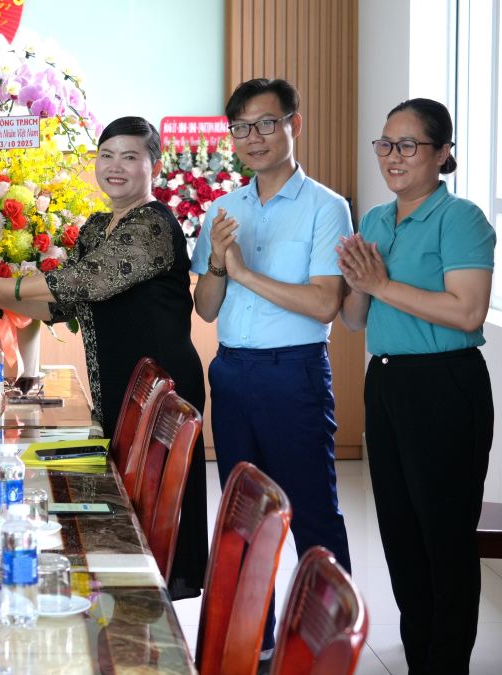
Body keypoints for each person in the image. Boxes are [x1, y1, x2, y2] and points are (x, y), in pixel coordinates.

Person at [0, 117, 208, 599]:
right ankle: (127, 595)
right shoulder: (97, 225)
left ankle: (150, 610)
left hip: (161, 382)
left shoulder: (152, 224)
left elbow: (84, 281)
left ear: (154, 164)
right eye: (107, 155)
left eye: (130, 157)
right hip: (120, 376)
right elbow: (62, 304)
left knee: (154, 500)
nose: (115, 167)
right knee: (125, 491)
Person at [190, 78, 352, 665]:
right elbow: (207, 307)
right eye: (240, 128)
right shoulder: (223, 209)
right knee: (244, 516)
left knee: (311, 512)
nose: (252, 138)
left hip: (294, 373)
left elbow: (323, 304)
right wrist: (216, 262)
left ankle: (324, 646)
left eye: (265, 123)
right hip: (231, 374)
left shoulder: (326, 207)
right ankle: (250, 643)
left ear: (294, 125)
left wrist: (243, 270)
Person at [337, 98, 493, 674]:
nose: (393, 157)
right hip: (386, 384)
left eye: (408, 145)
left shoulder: (463, 219)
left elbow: (468, 312)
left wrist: (380, 281)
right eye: (385, 144)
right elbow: (356, 320)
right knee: (400, 534)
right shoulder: (376, 220)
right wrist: (357, 283)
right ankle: (420, 653)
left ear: (443, 152)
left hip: (445, 387)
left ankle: (445, 663)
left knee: (444, 536)